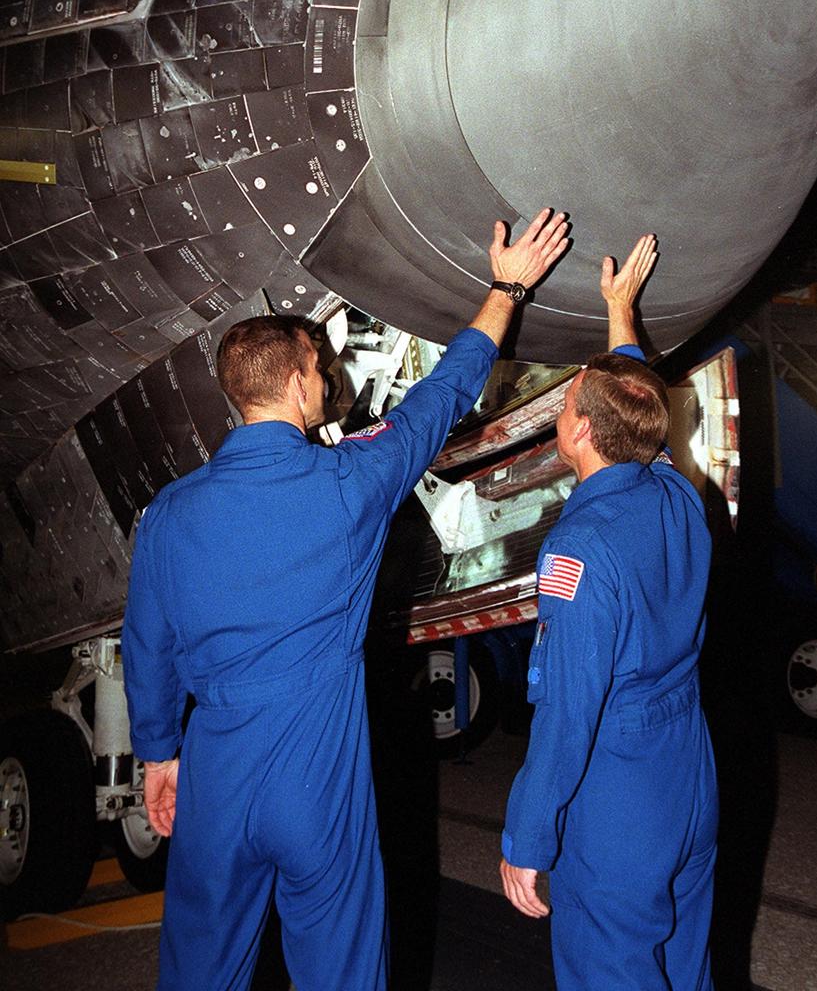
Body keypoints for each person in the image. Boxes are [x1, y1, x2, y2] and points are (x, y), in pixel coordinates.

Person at [121, 208, 569, 991]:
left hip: (218, 774)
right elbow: (444, 393)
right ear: (297, 383)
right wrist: (507, 288)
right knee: (341, 969)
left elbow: (147, 649)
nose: (329, 377)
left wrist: (160, 755)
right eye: (319, 367)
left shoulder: (167, 515)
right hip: (317, 778)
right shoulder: (349, 482)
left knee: (199, 971)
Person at [500, 235, 718, 990]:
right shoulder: (677, 496)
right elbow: (640, 412)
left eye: (564, 405)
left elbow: (569, 711)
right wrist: (620, 311)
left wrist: (528, 836)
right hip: (688, 775)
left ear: (581, 432)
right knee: (685, 967)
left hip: (619, 797)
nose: (559, 413)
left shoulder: (579, 549)